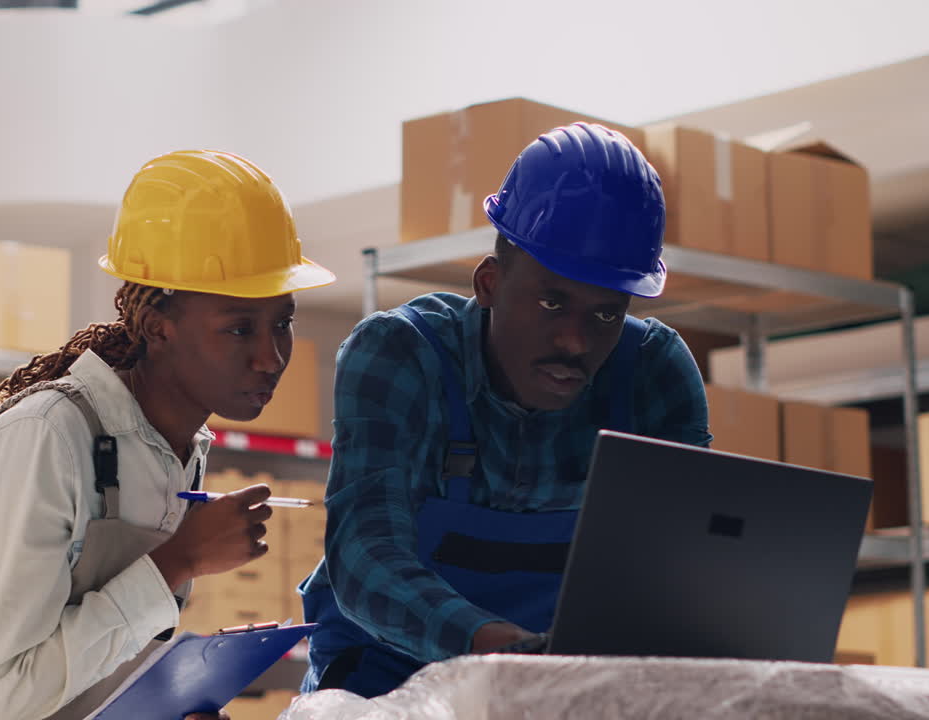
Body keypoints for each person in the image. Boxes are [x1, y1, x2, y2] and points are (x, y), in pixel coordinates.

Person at [0, 149, 336, 720]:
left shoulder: (177, 451)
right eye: (238, 328)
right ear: (160, 326)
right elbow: (12, 691)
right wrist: (178, 560)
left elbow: (84, 657)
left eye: (283, 322)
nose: (271, 356)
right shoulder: (44, 438)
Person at [298, 122, 713, 698]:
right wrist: (500, 653)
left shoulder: (652, 372)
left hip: (558, 686)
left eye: (605, 314)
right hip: (385, 680)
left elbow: (685, 562)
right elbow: (366, 558)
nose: (574, 341)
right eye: (552, 301)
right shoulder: (400, 354)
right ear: (490, 283)